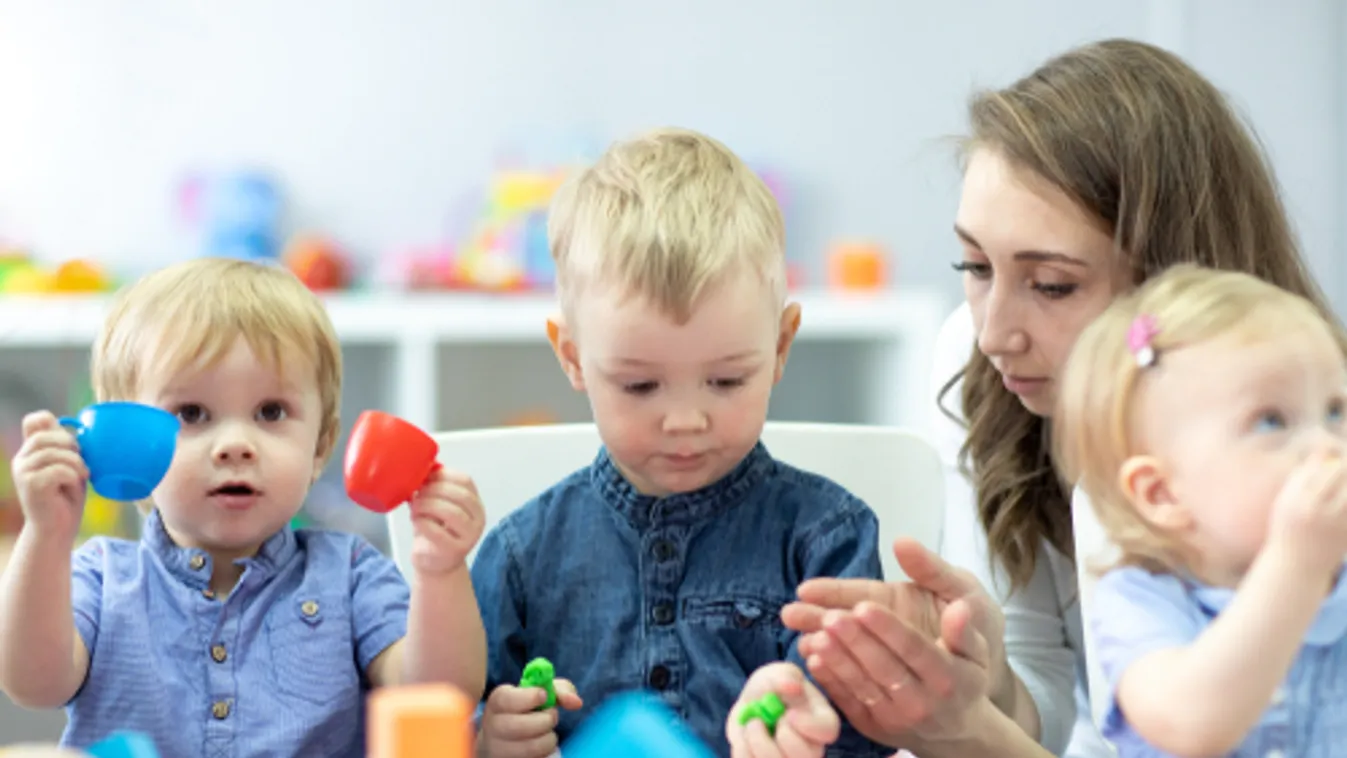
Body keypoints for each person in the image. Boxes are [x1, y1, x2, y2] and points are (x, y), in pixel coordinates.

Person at [779, 37, 1345, 758]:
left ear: (1175, 284)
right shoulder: (974, 361)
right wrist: (980, 673)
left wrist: (966, 727)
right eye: (974, 265)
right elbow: (1053, 696)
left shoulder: (1300, 444)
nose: (993, 334)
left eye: (1051, 285)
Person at [469, 127, 889, 758]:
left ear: (780, 346)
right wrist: (490, 736)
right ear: (574, 358)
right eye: (640, 385)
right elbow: (447, 716)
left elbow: (877, 729)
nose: (686, 419)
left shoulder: (829, 538)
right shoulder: (521, 555)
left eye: (726, 380)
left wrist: (816, 723)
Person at [0, 258, 489, 755]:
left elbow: (437, 695)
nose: (235, 444)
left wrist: (440, 572)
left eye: (270, 412)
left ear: (320, 446)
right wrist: (45, 536)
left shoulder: (351, 573)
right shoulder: (101, 577)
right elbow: (32, 683)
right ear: (129, 445)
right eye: (191, 413)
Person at [1056, 265, 1347, 756]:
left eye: (1336, 411)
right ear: (1161, 494)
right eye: (1271, 420)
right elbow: (1194, 725)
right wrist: (1297, 564)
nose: (1326, 446)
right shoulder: (1140, 603)